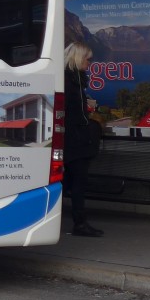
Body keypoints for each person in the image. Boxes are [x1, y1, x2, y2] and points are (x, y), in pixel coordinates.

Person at [63, 42, 103, 237]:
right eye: (88, 59)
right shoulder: (71, 81)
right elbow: (72, 113)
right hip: (75, 139)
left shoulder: (71, 79)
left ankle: (78, 222)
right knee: (78, 181)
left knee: (72, 180)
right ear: (78, 58)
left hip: (73, 138)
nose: (90, 63)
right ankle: (79, 223)